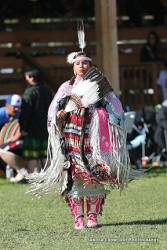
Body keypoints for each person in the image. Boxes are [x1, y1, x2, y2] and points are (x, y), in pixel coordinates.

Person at [26, 21, 141, 230]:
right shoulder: (66, 87)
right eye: (78, 64)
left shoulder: (99, 86)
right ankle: (78, 218)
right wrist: (59, 115)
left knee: (95, 173)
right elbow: (54, 109)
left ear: (91, 65)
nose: (82, 67)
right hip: (71, 135)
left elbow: (115, 106)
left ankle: (92, 216)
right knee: (74, 174)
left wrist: (105, 117)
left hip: (95, 136)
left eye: (85, 63)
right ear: (73, 66)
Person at [8, 69, 53, 183]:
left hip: (32, 130)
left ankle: (31, 178)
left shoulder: (29, 92)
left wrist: (22, 127)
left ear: (32, 78)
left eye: (27, 77)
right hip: (46, 129)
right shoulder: (47, 91)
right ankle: (49, 178)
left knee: (32, 156)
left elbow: (25, 113)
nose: (26, 79)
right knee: (45, 155)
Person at [0, 94, 27, 179]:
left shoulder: (20, 114)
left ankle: (23, 173)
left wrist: (14, 138)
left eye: (19, 107)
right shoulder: (1, 114)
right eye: (14, 107)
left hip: (12, 142)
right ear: (7, 105)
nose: (17, 109)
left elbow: (23, 129)